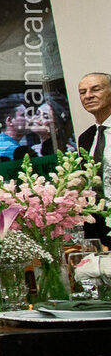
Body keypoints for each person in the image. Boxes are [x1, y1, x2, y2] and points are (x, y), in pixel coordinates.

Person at [77, 73, 111, 242]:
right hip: (100, 226)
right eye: (82, 92)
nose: (88, 96)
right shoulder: (86, 138)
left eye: (95, 89)